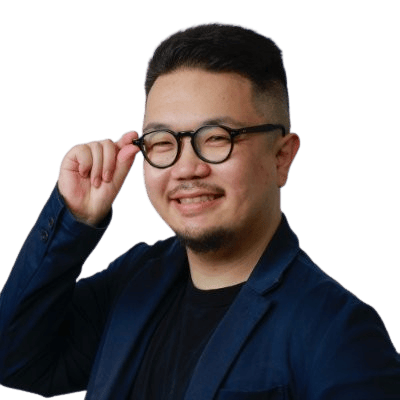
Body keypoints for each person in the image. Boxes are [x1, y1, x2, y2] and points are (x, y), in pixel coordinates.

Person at [0, 21, 399, 400]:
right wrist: (75, 219)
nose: (186, 168)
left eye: (217, 138)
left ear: (281, 157)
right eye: (162, 141)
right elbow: (13, 358)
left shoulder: (338, 332)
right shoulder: (135, 280)